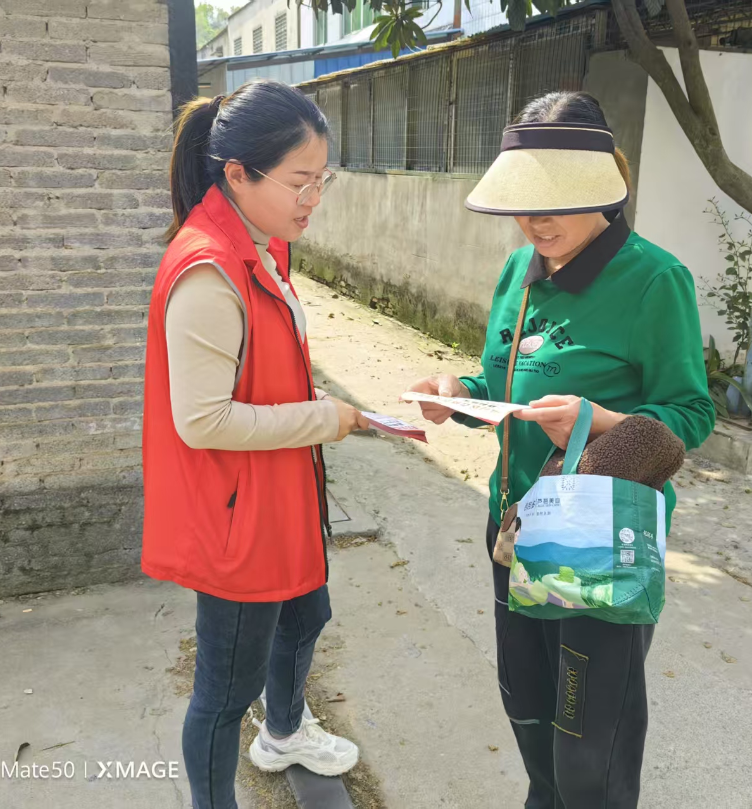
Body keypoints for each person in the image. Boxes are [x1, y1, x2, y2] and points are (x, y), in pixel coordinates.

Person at [408, 91, 715, 808]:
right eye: (524, 203)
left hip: (597, 541)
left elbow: (692, 413)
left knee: (589, 754)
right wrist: (458, 392)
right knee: (528, 715)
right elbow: (507, 381)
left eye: (556, 203)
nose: (536, 221)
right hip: (514, 531)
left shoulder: (654, 279)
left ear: (605, 187)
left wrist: (601, 421)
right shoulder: (520, 271)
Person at [142, 79, 368, 809]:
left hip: (279, 491)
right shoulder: (208, 268)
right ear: (238, 173)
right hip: (238, 515)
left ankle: (286, 730)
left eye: (322, 179)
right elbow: (202, 420)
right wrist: (323, 418)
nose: (314, 198)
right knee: (222, 693)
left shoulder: (262, 248)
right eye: (300, 181)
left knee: (306, 615)